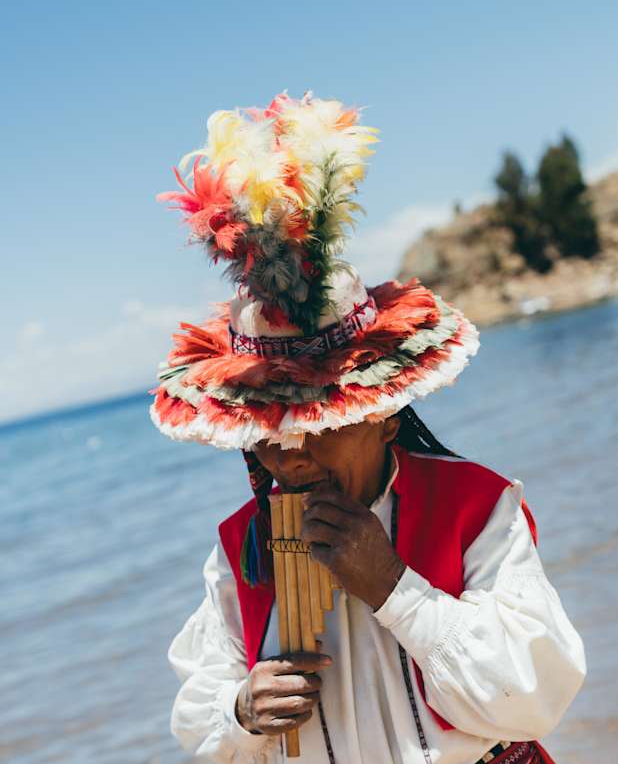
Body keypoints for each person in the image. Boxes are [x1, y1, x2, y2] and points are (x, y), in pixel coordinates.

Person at [150, 90, 586, 763]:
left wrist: (391, 585)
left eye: (320, 426)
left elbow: (534, 696)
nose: (290, 459)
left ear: (381, 413)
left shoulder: (478, 507)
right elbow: (202, 725)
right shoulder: (239, 549)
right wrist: (242, 711)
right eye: (272, 433)